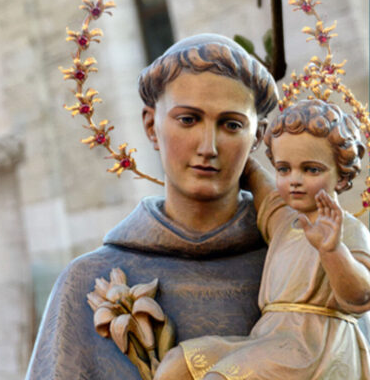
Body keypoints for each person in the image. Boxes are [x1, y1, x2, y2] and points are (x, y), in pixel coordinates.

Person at [26, 34, 279, 378]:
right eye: (188, 120)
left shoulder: (304, 266)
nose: (208, 147)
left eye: (231, 125)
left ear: (258, 137)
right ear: (151, 125)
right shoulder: (86, 281)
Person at [154, 99, 370, 379]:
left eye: (311, 170)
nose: (294, 180)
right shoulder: (284, 220)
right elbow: (256, 178)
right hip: (269, 339)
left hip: (315, 349)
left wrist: (332, 250)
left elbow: (361, 296)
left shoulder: (347, 230)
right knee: (177, 365)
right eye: (283, 168)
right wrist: (223, 147)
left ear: (341, 177)